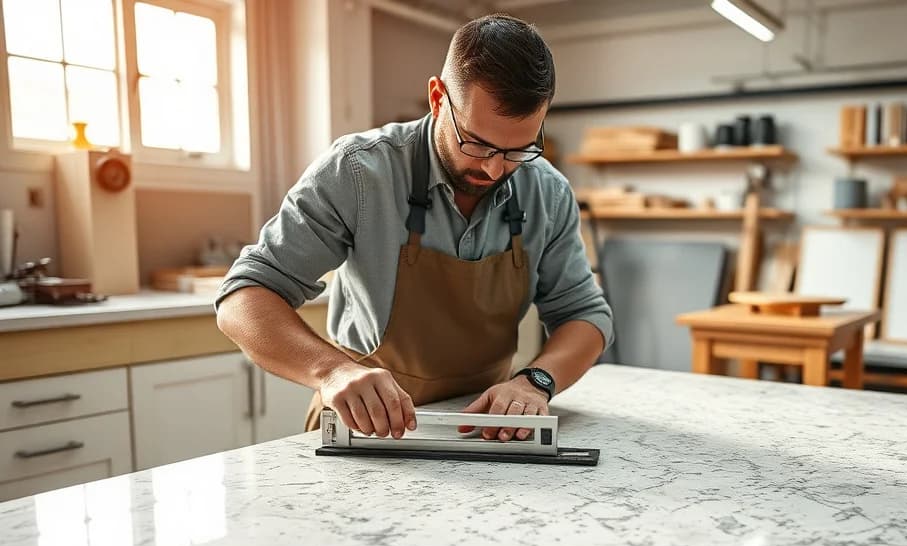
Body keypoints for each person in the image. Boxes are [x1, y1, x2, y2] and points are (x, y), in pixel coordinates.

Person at [215, 14, 611, 443]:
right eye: (477, 144)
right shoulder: (359, 172)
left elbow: (585, 314)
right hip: (367, 432)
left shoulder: (547, 192)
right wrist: (332, 371)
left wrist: (535, 381)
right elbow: (243, 296)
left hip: (485, 433)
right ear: (437, 97)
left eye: (519, 150)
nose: (495, 168)